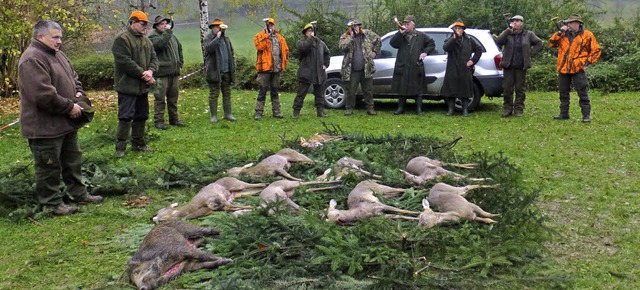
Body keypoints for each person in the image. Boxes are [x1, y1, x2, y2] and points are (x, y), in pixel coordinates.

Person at [17, 20, 103, 216]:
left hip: (65, 123)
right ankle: (51, 204)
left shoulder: (58, 55)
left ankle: (78, 194)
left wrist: (79, 95)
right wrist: (68, 106)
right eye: (55, 37)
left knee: (73, 161)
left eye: (60, 37)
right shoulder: (32, 59)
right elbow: (42, 94)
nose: (59, 41)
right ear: (40, 37)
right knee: (49, 166)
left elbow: (74, 78)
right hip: (44, 127)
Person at [112, 11, 159, 158]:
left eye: (146, 24)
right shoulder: (122, 39)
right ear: (133, 22)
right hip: (127, 86)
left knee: (142, 115)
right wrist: (143, 74)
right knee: (125, 116)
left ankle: (138, 144)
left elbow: (154, 59)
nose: (145, 27)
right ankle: (120, 148)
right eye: (142, 23)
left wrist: (151, 71)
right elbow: (124, 61)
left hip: (142, 87)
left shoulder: (146, 41)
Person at [549, 14, 601, 122]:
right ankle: (564, 114)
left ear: (578, 24)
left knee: (582, 91)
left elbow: (596, 50)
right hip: (563, 68)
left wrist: (586, 63)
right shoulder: (562, 34)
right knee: (563, 92)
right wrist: (559, 32)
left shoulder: (587, 35)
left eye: (570, 23)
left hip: (578, 68)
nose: (568, 25)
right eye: (567, 23)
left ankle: (586, 116)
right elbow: (551, 43)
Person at [495, 15, 543, 118]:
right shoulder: (508, 33)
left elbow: (539, 43)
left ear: (522, 23)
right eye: (513, 21)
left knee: (520, 89)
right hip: (508, 66)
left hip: (521, 66)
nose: (515, 22)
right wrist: (507, 30)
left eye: (517, 21)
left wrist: (531, 53)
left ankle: (518, 109)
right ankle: (507, 109)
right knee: (507, 89)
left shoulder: (528, 34)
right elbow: (498, 42)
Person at [389, 15, 435, 115]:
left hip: (416, 65)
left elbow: (431, 44)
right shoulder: (401, 35)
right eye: (404, 24)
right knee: (402, 88)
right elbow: (392, 43)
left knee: (418, 89)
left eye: (407, 24)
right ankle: (401, 108)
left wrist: (425, 52)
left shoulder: (421, 35)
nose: (405, 26)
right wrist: (399, 33)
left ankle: (418, 109)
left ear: (413, 25)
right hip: (403, 66)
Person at [339, 18, 381, 116]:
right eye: (352, 26)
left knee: (368, 90)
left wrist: (375, 51)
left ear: (359, 26)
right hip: (352, 70)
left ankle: (370, 108)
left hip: (366, 68)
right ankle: (349, 108)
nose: (355, 28)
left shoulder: (367, 34)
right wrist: (351, 37)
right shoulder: (345, 36)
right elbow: (342, 47)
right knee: (351, 90)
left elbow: (378, 39)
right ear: (348, 28)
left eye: (356, 25)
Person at [149, 15, 184, 129]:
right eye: (162, 24)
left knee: (173, 98)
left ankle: (174, 119)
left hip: (174, 73)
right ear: (156, 26)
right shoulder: (153, 37)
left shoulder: (172, 36)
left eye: (166, 23)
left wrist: (180, 62)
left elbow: (179, 48)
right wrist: (168, 33)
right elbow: (160, 44)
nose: (165, 25)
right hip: (160, 74)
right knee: (159, 98)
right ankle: (158, 121)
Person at [441, 20, 482, 117]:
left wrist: (472, 61)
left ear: (463, 30)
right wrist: (454, 38)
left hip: (465, 68)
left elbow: (479, 50)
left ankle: (465, 110)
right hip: (452, 68)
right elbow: (446, 48)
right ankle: (451, 110)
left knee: (465, 90)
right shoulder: (450, 39)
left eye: (460, 28)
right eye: (456, 28)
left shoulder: (469, 40)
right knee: (451, 89)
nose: (458, 30)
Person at [292, 22, 330, 119]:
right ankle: (296, 112)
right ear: (305, 33)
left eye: (312, 30)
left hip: (319, 73)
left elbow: (327, 53)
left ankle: (320, 111)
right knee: (301, 93)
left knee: (320, 94)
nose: (311, 32)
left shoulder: (321, 43)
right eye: (309, 31)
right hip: (306, 72)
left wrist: (326, 64)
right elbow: (304, 48)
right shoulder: (301, 42)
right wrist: (311, 39)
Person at [253, 17, 289, 120]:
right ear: (265, 26)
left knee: (275, 90)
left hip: (276, 69)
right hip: (264, 69)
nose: (270, 27)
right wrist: (266, 36)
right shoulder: (259, 36)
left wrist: (283, 65)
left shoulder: (280, 38)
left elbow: (286, 52)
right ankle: (259, 112)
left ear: (274, 26)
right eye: (268, 25)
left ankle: (276, 111)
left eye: (271, 25)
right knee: (262, 90)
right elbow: (259, 47)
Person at [204, 18, 237, 123]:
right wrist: (217, 38)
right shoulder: (208, 38)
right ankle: (213, 116)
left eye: (221, 27)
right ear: (213, 28)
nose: (219, 29)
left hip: (226, 71)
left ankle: (228, 114)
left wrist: (232, 65)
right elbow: (209, 49)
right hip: (214, 71)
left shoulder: (226, 39)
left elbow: (231, 52)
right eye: (217, 27)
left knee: (227, 93)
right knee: (214, 93)